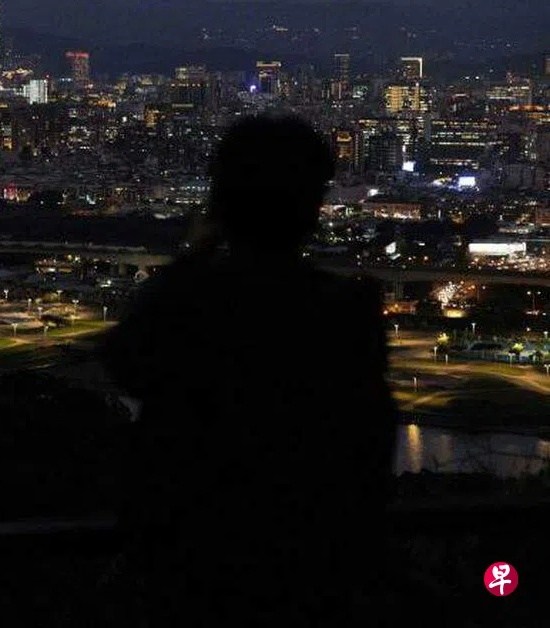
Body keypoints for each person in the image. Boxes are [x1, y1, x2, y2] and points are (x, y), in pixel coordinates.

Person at [101, 114, 395, 625]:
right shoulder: (345, 310)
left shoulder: (188, 302)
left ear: (222, 202)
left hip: (189, 560)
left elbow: (123, 363)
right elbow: (370, 445)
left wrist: (196, 253)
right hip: (306, 564)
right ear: (312, 208)